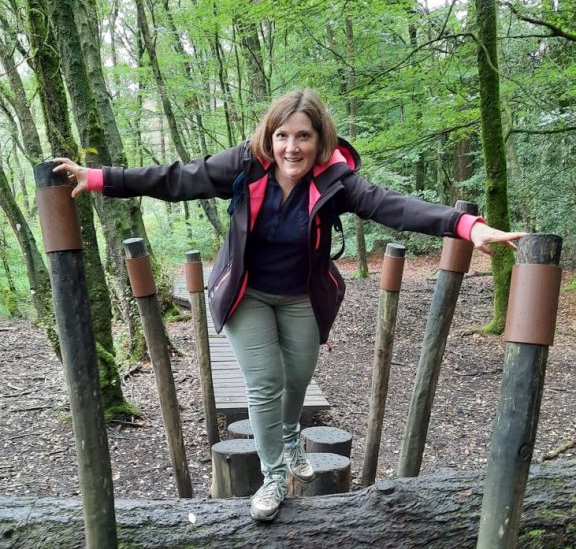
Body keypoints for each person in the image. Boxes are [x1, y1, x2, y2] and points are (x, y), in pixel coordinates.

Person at [53, 89, 524, 521]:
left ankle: (290, 435)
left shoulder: (337, 182)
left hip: (300, 295)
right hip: (247, 294)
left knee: (296, 380)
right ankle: (274, 478)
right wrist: (98, 177)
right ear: (269, 137)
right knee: (265, 384)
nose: (291, 148)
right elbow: (177, 178)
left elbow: (393, 206)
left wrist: (467, 226)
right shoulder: (244, 165)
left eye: (303, 136)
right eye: (282, 136)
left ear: (320, 141)